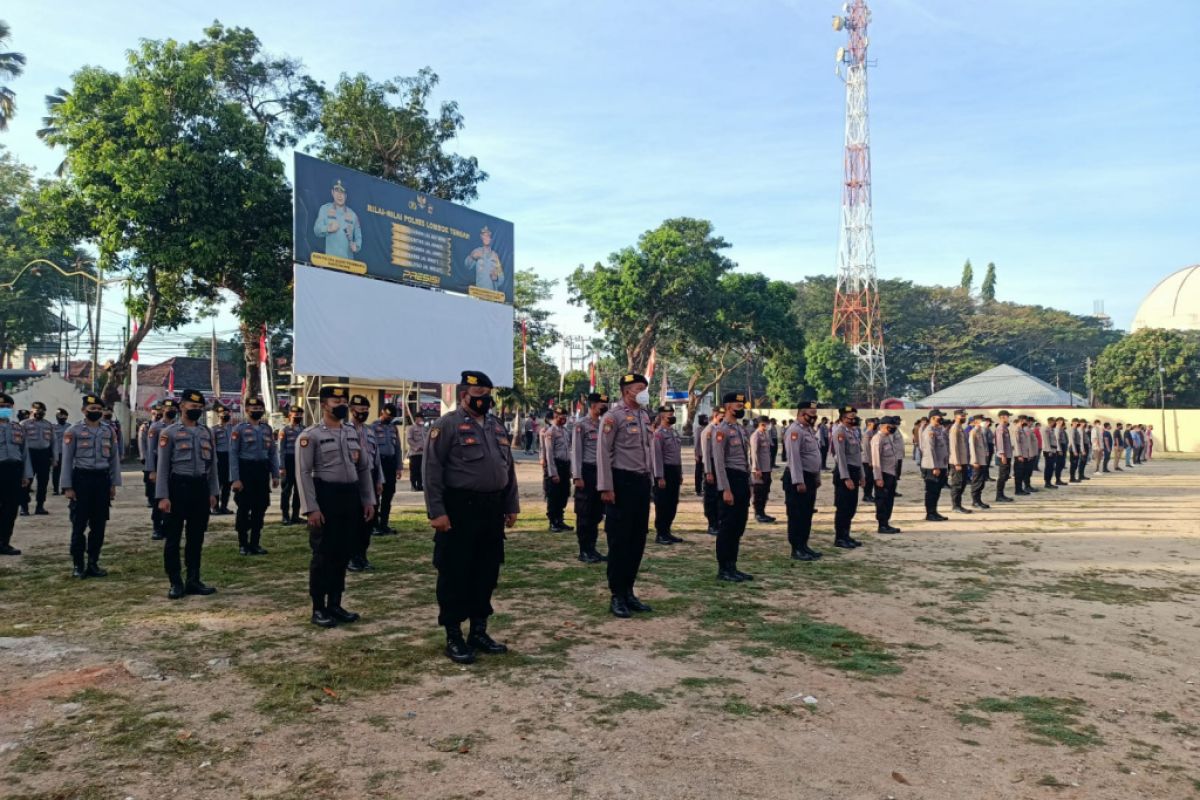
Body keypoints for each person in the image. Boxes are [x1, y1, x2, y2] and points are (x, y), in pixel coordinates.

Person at [422, 371, 517, 660]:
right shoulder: (446, 425)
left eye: (488, 396)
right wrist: (437, 511)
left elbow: (507, 469)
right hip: (459, 509)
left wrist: (511, 505)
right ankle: (453, 635)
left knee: (486, 572)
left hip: (491, 509)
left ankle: (478, 631)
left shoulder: (496, 426)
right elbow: (432, 470)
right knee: (454, 572)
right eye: (479, 397)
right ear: (464, 395)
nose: (484, 401)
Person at [296, 386, 376, 629]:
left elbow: (363, 468)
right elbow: (303, 473)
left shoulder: (351, 433)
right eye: (335, 399)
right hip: (325, 496)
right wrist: (311, 508)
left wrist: (368, 499)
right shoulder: (311, 436)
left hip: (350, 497)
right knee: (323, 555)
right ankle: (318, 607)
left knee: (343, 552)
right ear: (323, 404)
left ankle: (336, 603)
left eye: (343, 399)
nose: (340, 403)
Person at [596, 373, 654, 617]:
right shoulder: (613, 417)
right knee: (619, 541)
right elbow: (603, 453)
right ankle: (617, 595)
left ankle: (629, 591)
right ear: (626, 391)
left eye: (644, 388)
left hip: (641, 483)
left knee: (637, 539)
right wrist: (606, 487)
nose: (643, 392)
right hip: (621, 483)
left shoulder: (643, 416)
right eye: (639, 388)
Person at [155, 389, 220, 600]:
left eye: (200, 408)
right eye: (193, 407)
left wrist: (213, 491)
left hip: (199, 488)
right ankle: (175, 582)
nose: (196, 411)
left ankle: (194, 580)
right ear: (182, 407)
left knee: (196, 537)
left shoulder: (206, 432)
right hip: (177, 488)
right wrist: (162, 496)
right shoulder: (170, 433)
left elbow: (213, 465)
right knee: (173, 538)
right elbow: (163, 467)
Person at [60, 393, 121, 578]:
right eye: (92, 409)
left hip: (101, 480)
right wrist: (68, 487)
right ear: (83, 410)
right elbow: (67, 460)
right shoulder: (74, 430)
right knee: (79, 525)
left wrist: (113, 484)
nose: (95, 412)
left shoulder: (108, 431)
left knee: (99, 524)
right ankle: (78, 565)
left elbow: (113, 459)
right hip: (81, 480)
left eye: (98, 409)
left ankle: (93, 562)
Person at [712, 393, 754, 581]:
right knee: (728, 527)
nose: (741, 407)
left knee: (739, 525)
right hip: (729, 479)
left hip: (741, 479)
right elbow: (719, 463)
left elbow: (746, 459)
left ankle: (732, 566)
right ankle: (724, 569)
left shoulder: (740, 429)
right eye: (737, 404)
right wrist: (725, 489)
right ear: (728, 406)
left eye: (741, 404)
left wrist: (749, 483)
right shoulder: (721, 430)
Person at [347, 395, 385, 572]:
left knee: (368, 519)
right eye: (360, 410)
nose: (363, 413)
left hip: (370, 477)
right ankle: (352, 558)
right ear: (351, 409)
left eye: (366, 410)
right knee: (353, 520)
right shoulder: (343, 430)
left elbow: (376, 458)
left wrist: (379, 480)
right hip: (352, 479)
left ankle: (362, 556)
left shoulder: (370, 431)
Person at [782, 400, 822, 561]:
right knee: (797, 515)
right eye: (811, 414)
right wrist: (799, 481)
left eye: (815, 414)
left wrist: (817, 476)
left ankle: (804, 545)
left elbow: (815, 455)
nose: (814, 417)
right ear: (800, 414)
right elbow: (794, 458)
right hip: (798, 478)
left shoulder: (809, 430)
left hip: (810, 477)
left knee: (806, 514)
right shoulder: (795, 431)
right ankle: (796, 548)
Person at [571, 392, 608, 563]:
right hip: (587, 472)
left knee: (596, 513)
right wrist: (577, 476)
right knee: (585, 512)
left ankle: (592, 549)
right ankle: (584, 550)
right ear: (593, 405)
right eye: (602, 404)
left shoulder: (603, 424)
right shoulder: (581, 425)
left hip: (600, 473)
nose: (604, 407)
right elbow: (577, 452)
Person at [0, 393, 32, 555]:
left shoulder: (18, 428)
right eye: (1, 407)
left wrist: (26, 475)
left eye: (7, 407)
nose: (4, 409)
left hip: (14, 471)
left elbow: (24, 453)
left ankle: (4, 542)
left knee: (11, 508)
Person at [830, 405, 864, 548]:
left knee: (851, 507)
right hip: (845, 472)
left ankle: (846, 535)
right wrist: (846, 477)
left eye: (855, 417)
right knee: (843, 507)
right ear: (843, 418)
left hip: (855, 470)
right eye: (851, 417)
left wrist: (862, 474)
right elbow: (841, 456)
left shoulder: (854, 432)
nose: (854, 419)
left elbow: (858, 455)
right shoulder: (839, 432)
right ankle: (839, 538)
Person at [651, 405, 684, 545]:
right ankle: (661, 533)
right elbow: (656, 456)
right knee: (663, 504)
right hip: (665, 471)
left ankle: (667, 531)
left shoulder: (674, 432)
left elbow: (678, 455)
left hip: (674, 471)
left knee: (672, 503)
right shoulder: (658, 434)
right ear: (662, 416)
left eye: (672, 413)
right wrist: (659, 476)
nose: (672, 415)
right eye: (669, 413)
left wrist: (680, 472)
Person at [145, 400, 178, 539]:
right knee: (158, 498)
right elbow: (150, 450)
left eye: (173, 408)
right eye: (168, 407)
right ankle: (157, 528)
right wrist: (151, 470)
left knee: (173, 498)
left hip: (174, 466)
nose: (171, 410)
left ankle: (168, 527)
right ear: (163, 409)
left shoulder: (178, 427)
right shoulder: (155, 427)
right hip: (158, 465)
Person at [541, 406, 574, 533]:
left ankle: (560, 520)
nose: (564, 419)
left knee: (564, 494)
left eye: (565, 417)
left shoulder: (565, 431)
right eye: (562, 417)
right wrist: (553, 473)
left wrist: (570, 469)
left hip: (565, 466)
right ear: (555, 416)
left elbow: (568, 451)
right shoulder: (550, 432)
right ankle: (553, 521)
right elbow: (549, 454)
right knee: (554, 495)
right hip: (556, 466)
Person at [371, 403, 402, 535]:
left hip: (390, 464)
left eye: (391, 417)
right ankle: (374, 525)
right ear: (382, 411)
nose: (389, 418)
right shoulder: (372, 427)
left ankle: (384, 524)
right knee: (376, 496)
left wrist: (399, 467)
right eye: (387, 415)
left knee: (388, 495)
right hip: (378, 464)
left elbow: (398, 449)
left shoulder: (393, 428)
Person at [313, 179, 362, 260]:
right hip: (329, 262)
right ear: (332, 192)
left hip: (348, 265)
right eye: (337, 191)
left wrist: (356, 246)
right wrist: (328, 228)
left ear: (346, 196)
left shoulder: (353, 215)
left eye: (342, 192)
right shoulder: (325, 209)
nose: (339, 195)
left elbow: (358, 236)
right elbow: (316, 230)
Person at [20, 401, 55, 516]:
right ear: (31, 411)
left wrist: (54, 457)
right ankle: (24, 507)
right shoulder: (23, 424)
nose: (39, 413)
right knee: (26, 482)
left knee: (43, 482)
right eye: (37, 410)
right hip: (29, 455)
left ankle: (40, 506)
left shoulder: (48, 425)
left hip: (44, 455)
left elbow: (53, 443)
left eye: (42, 411)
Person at [872, 416, 902, 534]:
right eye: (891, 427)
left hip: (891, 473)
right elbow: (876, 460)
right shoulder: (877, 438)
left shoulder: (888, 437)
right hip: (883, 474)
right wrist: (878, 477)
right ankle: (882, 525)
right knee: (882, 500)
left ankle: (886, 523)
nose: (893, 429)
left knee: (889, 500)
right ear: (884, 426)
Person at [920, 410, 950, 521]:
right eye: (939, 417)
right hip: (932, 466)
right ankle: (930, 513)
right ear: (932, 418)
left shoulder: (939, 430)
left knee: (937, 490)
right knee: (931, 490)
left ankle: (934, 511)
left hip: (940, 465)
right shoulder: (929, 431)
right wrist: (935, 466)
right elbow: (929, 450)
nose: (941, 418)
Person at [278, 406, 305, 524]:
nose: (298, 417)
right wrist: (282, 466)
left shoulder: (304, 429)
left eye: (300, 415)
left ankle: (295, 515)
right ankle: (285, 516)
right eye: (295, 415)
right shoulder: (284, 430)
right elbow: (281, 450)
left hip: (301, 461)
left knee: (299, 491)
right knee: (286, 490)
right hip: (289, 461)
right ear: (290, 416)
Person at [749, 416, 776, 524]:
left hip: (766, 469)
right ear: (762, 424)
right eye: (767, 424)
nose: (769, 426)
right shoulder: (755, 436)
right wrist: (756, 469)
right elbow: (753, 454)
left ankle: (763, 512)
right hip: (759, 470)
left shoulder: (764, 434)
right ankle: (758, 514)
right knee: (759, 492)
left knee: (765, 491)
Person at [700, 408, 722, 536]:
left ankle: (719, 522)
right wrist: (708, 471)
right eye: (721, 416)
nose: (723, 418)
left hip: (720, 465)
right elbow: (706, 454)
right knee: (711, 497)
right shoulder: (708, 431)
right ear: (715, 415)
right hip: (712, 466)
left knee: (720, 496)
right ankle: (712, 524)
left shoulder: (721, 429)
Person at [947, 410, 972, 514]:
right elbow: (954, 446)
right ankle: (955, 506)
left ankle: (959, 504)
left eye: (965, 415)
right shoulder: (955, 429)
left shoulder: (960, 428)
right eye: (962, 416)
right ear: (956, 416)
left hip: (963, 460)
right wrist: (957, 462)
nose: (964, 417)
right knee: (957, 484)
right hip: (957, 462)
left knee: (962, 483)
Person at [212, 405, 234, 514]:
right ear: (218, 415)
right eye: (222, 414)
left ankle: (224, 506)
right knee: (218, 483)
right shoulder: (214, 429)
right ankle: (215, 507)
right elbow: (213, 446)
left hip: (230, 458)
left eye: (226, 413)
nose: (225, 415)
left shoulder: (232, 428)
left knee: (227, 484)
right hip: (219, 458)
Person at [968, 414, 990, 510]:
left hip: (982, 460)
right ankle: (975, 501)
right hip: (977, 461)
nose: (983, 422)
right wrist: (974, 461)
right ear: (976, 421)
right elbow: (972, 447)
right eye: (981, 420)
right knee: (976, 481)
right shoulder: (973, 432)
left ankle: (979, 500)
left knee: (981, 481)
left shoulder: (980, 431)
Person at [993, 410, 1015, 503]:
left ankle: (1001, 494)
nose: (1008, 418)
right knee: (1002, 476)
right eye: (1007, 416)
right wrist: (1002, 455)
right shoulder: (1000, 428)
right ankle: (999, 495)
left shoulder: (1005, 427)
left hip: (1007, 454)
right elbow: (1000, 442)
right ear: (1002, 417)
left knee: (1005, 475)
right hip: (1004, 455)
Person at [51, 408, 69, 495]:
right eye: (59, 415)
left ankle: (64, 488)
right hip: (56, 453)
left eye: (63, 415)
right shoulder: (52, 427)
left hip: (66, 453)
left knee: (65, 471)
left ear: (66, 417)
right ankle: (55, 489)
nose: (61, 417)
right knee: (56, 472)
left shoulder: (69, 427)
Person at [407, 414, 427, 491]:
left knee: (421, 470)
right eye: (418, 418)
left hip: (423, 453)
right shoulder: (412, 428)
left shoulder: (425, 428)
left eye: (421, 418)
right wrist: (417, 447)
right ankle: (413, 485)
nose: (420, 420)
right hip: (415, 453)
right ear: (416, 419)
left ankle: (420, 485)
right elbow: (409, 439)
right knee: (414, 470)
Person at [861, 417, 877, 504]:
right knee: (868, 479)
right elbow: (866, 448)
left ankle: (869, 495)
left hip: (871, 460)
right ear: (869, 424)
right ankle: (866, 495)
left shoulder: (873, 432)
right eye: (874, 423)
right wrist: (870, 461)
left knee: (871, 479)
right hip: (867, 461)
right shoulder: (867, 433)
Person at [692, 414, 708, 496]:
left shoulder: (709, 429)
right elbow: (696, 443)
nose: (706, 420)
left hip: (707, 454)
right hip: (700, 454)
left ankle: (704, 488)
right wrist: (696, 454)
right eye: (704, 419)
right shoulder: (698, 430)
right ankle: (698, 489)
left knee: (706, 472)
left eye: (706, 419)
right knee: (698, 473)